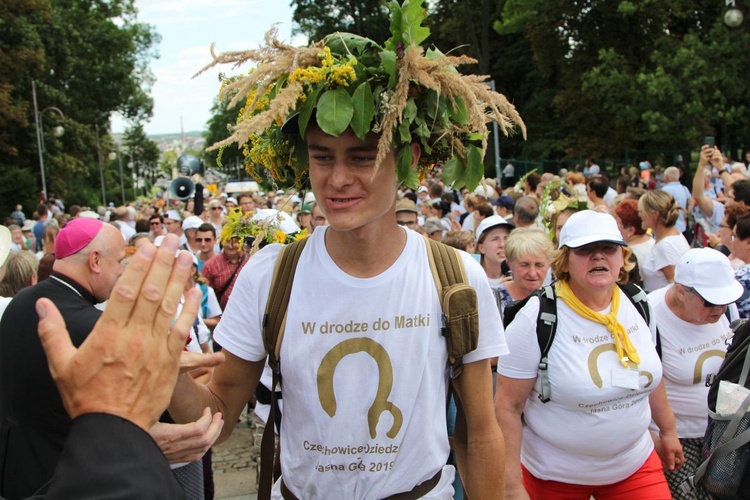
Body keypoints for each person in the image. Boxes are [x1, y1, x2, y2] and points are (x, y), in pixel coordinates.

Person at [169, 4, 524, 497]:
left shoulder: (454, 275)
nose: (337, 180)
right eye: (322, 157)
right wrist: (162, 366)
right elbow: (220, 416)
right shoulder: (271, 276)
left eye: (362, 158)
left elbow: (481, 433)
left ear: (407, 160)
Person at [0, 219, 220, 499]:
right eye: (118, 261)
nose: (120, 271)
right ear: (95, 260)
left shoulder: (21, 300)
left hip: (17, 471)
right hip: (69, 479)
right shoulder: (96, 329)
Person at [496, 210, 683, 499]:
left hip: (634, 465)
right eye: (585, 249)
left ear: (621, 258)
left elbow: (651, 374)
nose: (598, 256)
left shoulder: (638, 303)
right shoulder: (536, 317)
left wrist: (668, 430)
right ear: (565, 261)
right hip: (554, 475)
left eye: (608, 248)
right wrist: (510, 485)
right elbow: (507, 407)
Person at [647, 248, 743, 499]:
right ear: (681, 291)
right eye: (710, 301)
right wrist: (656, 435)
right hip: (677, 435)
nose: (720, 309)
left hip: (723, 431)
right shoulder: (650, 315)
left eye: (725, 299)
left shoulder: (728, 312)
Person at [638, 190, 690, 292]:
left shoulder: (665, 246)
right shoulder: (673, 235)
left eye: (641, 211)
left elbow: (677, 287)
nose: (639, 215)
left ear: (654, 214)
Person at [496, 227, 554, 315]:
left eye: (539, 265)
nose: (532, 273)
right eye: (524, 265)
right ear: (510, 265)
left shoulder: (554, 302)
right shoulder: (494, 300)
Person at [614, 199, 655, 281]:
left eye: (617, 222)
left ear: (631, 230)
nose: (614, 225)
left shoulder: (630, 256)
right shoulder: (651, 241)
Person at [475, 215, 515, 288]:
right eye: (495, 239)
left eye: (506, 238)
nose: (502, 245)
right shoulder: (472, 280)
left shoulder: (517, 278)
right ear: (481, 248)